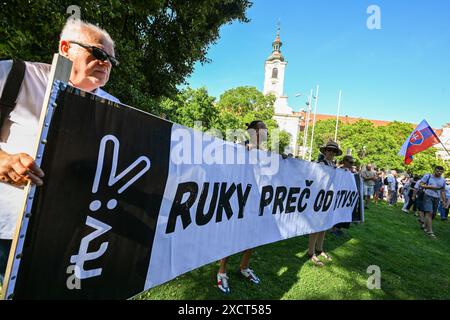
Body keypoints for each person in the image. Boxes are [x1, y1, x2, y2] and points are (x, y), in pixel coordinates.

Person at [0, 19, 119, 285]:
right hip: (7, 230)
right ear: (65, 47)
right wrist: (3, 161)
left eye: (112, 60)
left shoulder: (115, 108)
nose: (106, 63)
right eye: (98, 53)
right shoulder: (14, 75)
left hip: (74, 231)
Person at [216, 120, 266, 294]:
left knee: (252, 235)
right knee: (232, 235)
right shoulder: (239, 148)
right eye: (261, 129)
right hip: (238, 200)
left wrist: (287, 161)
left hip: (256, 200)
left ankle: (244, 266)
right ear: (252, 132)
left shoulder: (268, 154)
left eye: (266, 129)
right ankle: (222, 270)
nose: (265, 132)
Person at [307, 141, 341, 267]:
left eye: (333, 151)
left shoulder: (334, 165)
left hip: (329, 197)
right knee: (316, 225)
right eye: (328, 150)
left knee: (324, 225)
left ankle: (319, 249)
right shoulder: (320, 164)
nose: (330, 153)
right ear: (325, 151)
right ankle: (311, 252)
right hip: (319, 197)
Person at [419, 166, 446, 239]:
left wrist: (444, 201)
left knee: (433, 214)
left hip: (437, 198)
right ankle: (430, 231)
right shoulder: (428, 176)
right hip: (428, 195)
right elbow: (420, 184)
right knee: (429, 213)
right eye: (437, 171)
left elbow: (442, 191)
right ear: (434, 170)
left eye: (441, 171)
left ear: (442, 172)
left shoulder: (443, 180)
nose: (439, 172)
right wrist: (430, 187)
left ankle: (425, 224)